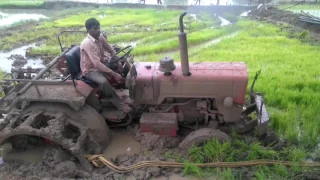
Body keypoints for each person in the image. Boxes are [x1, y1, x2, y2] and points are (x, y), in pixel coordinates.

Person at [80, 17, 131, 113]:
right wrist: (114, 74)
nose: (98, 30)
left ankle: (126, 87)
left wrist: (118, 62)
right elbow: (96, 64)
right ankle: (119, 104)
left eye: (99, 27)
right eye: (95, 28)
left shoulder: (100, 38)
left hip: (100, 64)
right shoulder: (87, 43)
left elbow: (111, 50)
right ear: (88, 30)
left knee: (123, 61)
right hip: (91, 70)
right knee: (103, 82)